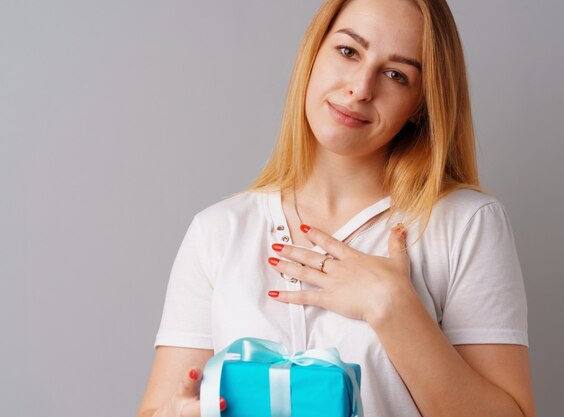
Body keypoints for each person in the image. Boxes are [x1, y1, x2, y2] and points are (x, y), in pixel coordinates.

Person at [136, 0, 536, 416]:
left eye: (396, 75)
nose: (361, 87)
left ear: (420, 104)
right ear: (314, 53)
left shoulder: (465, 224)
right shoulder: (217, 231)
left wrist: (392, 308)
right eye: (348, 52)